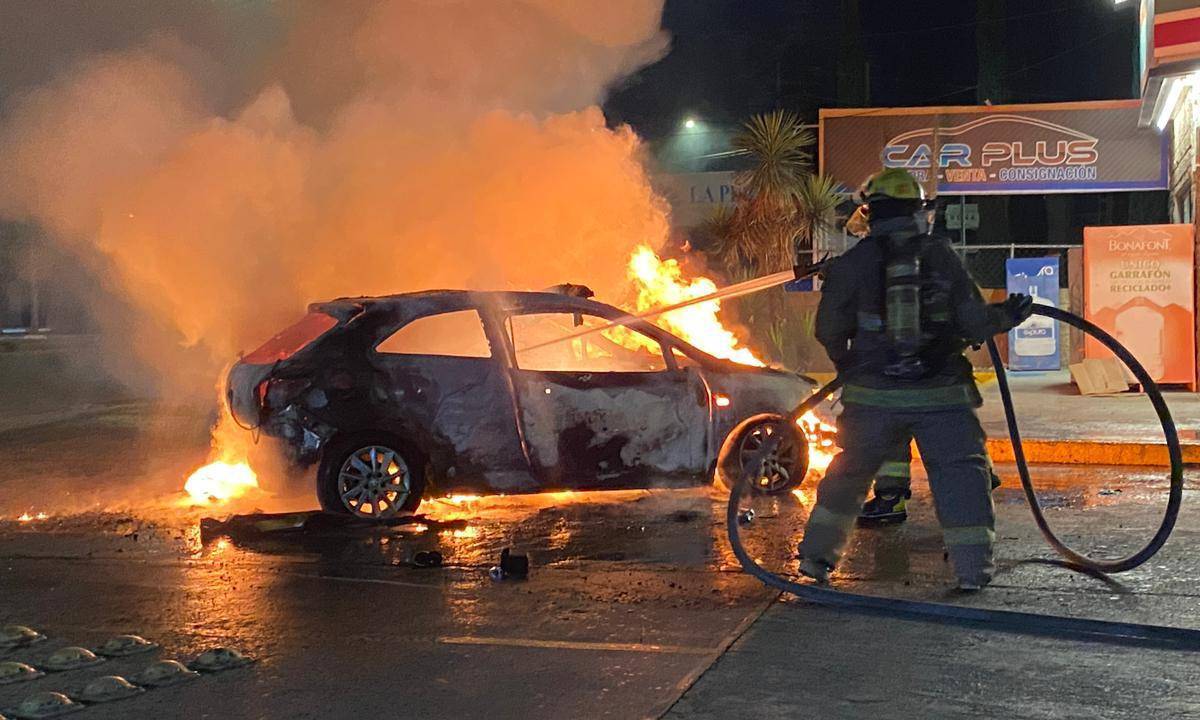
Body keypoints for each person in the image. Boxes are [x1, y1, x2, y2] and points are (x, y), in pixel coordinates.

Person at [799, 168, 1032, 590]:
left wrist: (848, 364)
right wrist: (1007, 315)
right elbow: (974, 322)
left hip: (872, 396)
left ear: (871, 213)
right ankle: (973, 571)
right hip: (942, 395)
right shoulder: (940, 255)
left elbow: (828, 328)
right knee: (961, 476)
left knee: (848, 477)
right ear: (918, 212)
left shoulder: (853, 263)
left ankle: (816, 561)